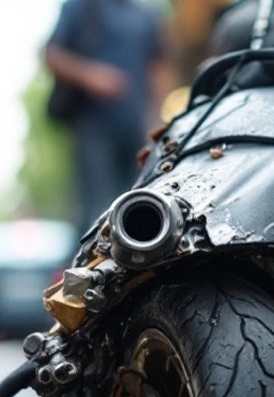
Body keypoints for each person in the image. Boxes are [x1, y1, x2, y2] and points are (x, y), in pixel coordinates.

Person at [45, 0, 170, 231]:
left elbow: (158, 66)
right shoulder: (80, 7)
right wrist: (90, 75)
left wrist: (157, 119)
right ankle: (89, 266)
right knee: (96, 209)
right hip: (93, 126)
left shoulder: (147, 14)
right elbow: (52, 55)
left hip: (137, 129)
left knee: (139, 202)